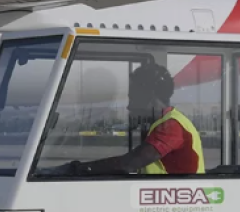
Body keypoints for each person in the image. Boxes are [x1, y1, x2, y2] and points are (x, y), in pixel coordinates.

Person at [47, 62, 205, 176]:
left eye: (133, 98)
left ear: (149, 97)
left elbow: (130, 163)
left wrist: (77, 169)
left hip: (175, 204)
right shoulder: (163, 123)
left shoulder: (171, 126)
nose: (129, 107)